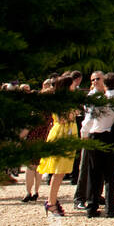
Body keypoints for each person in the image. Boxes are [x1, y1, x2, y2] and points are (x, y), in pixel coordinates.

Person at [80, 72, 114, 218]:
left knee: (94, 172)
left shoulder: (99, 98)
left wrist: (83, 134)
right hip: (109, 136)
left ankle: (92, 207)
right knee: (110, 174)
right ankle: (110, 208)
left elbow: (89, 119)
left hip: (94, 134)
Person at [39, 73, 80, 216]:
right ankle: (51, 202)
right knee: (58, 172)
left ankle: (52, 200)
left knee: (60, 172)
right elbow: (65, 118)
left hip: (67, 133)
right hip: (62, 134)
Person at [73, 70, 107, 211]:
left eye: (97, 79)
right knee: (85, 166)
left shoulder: (107, 95)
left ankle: (95, 195)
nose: (95, 82)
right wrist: (84, 135)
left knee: (99, 168)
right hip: (90, 134)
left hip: (102, 134)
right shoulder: (91, 97)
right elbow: (88, 119)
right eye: (92, 80)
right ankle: (79, 198)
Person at [21, 77, 56, 202]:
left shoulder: (36, 111)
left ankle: (28, 192)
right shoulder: (52, 113)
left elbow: (29, 126)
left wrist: (19, 138)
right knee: (39, 167)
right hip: (44, 138)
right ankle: (36, 191)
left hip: (33, 139)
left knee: (30, 167)